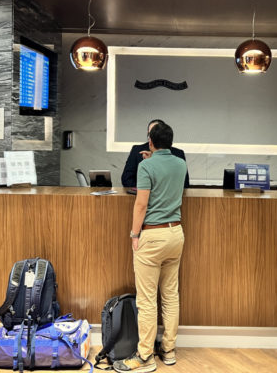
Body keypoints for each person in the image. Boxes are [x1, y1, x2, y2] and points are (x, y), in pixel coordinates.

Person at [113, 122, 187, 373]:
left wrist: (134, 234)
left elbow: (141, 205)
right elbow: (167, 177)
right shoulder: (180, 163)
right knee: (170, 296)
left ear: (151, 142)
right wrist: (152, 160)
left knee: (146, 300)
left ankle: (145, 356)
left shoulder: (146, 166)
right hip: (176, 233)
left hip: (152, 236)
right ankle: (169, 350)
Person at [121, 119, 190, 188]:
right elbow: (126, 178)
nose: (153, 136)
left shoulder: (178, 155)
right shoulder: (138, 151)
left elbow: (184, 184)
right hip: (140, 192)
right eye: (150, 134)